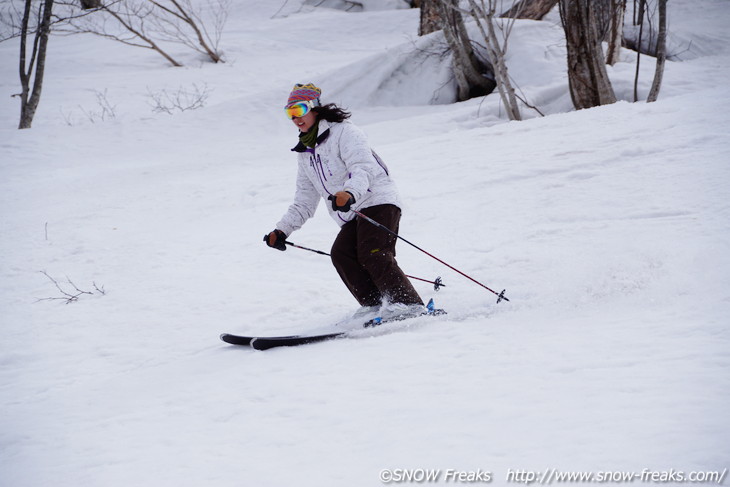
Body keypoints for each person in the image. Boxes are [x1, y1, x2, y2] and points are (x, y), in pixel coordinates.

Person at [264, 83, 424, 318]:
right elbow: (304, 200)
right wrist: (282, 230)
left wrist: (350, 193)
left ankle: (407, 304)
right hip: (351, 212)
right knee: (342, 254)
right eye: (290, 113)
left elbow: (362, 168)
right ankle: (374, 304)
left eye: (298, 110)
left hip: (377, 200)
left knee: (373, 251)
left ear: (314, 109)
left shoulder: (345, 132)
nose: (295, 118)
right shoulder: (305, 152)